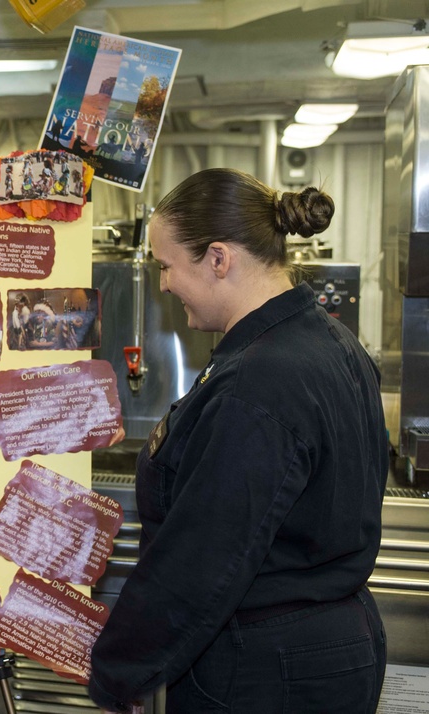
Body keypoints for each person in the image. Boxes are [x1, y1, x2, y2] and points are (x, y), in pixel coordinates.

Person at [88, 168, 388, 713]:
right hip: (336, 646)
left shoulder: (260, 380)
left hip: (264, 670)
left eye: (167, 266)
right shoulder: (333, 342)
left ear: (219, 258)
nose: (164, 284)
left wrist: (119, 670)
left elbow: (204, 556)